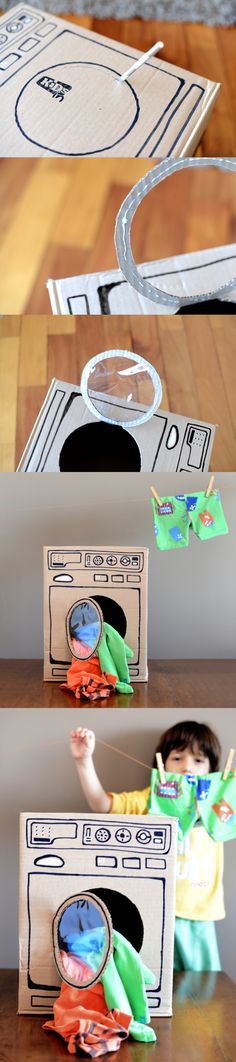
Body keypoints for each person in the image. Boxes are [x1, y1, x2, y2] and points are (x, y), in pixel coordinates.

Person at [70, 720, 224, 972]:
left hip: (199, 913)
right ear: (161, 765)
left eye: (198, 760)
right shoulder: (150, 799)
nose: (187, 768)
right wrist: (83, 760)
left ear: (212, 771)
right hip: (153, 909)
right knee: (153, 981)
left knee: (205, 988)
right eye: (177, 757)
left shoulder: (218, 804)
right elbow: (102, 805)